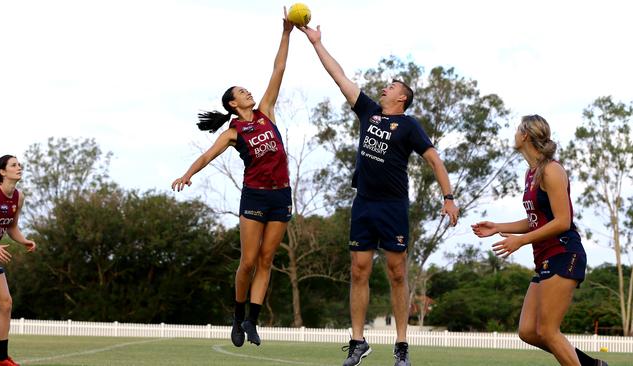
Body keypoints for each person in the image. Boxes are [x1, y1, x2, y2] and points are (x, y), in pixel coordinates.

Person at [297, 25, 459, 366]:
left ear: (401, 98)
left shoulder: (410, 125)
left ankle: (401, 345)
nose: (385, 87)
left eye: (392, 86)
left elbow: (434, 159)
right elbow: (339, 77)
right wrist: (317, 43)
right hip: (365, 204)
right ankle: (358, 341)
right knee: (358, 269)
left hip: (393, 206)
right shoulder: (368, 111)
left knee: (397, 273)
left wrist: (448, 197)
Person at [171, 8, 294, 348]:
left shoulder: (266, 111)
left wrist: (286, 33)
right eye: (242, 92)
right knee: (248, 261)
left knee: (268, 260)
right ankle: (237, 315)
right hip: (254, 197)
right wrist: (187, 174)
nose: (249, 93)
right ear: (231, 102)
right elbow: (207, 156)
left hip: (281, 196)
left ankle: (252, 321)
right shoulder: (232, 131)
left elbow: (278, 69)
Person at [472, 115, 608, 366]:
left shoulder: (552, 170)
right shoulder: (530, 173)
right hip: (544, 257)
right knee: (528, 331)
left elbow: (562, 221)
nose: (514, 135)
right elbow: (537, 219)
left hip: (564, 253)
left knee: (547, 330)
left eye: (516, 130)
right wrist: (498, 227)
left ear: (525, 135)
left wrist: (521, 241)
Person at [0, 155, 37, 366]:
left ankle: (2, 359)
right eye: (14, 165)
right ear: (3, 172)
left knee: (5, 304)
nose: (19, 167)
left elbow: (11, 226)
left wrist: (24, 240)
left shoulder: (19, 197)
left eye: (19, 164)